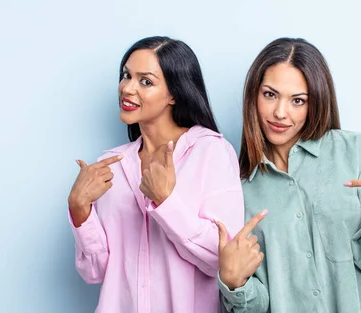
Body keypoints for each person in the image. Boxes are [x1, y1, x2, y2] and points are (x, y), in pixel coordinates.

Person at [216, 37, 361, 313]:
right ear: (253, 96)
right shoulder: (238, 187)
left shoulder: (358, 152)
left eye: (298, 101)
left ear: (315, 102)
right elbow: (259, 305)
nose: (280, 112)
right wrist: (234, 283)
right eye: (270, 94)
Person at [67, 36, 244, 313]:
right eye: (126, 76)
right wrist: (79, 210)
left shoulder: (211, 152)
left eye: (145, 81)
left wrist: (166, 201)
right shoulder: (110, 166)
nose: (127, 88)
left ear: (174, 93)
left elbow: (219, 260)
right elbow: (95, 273)